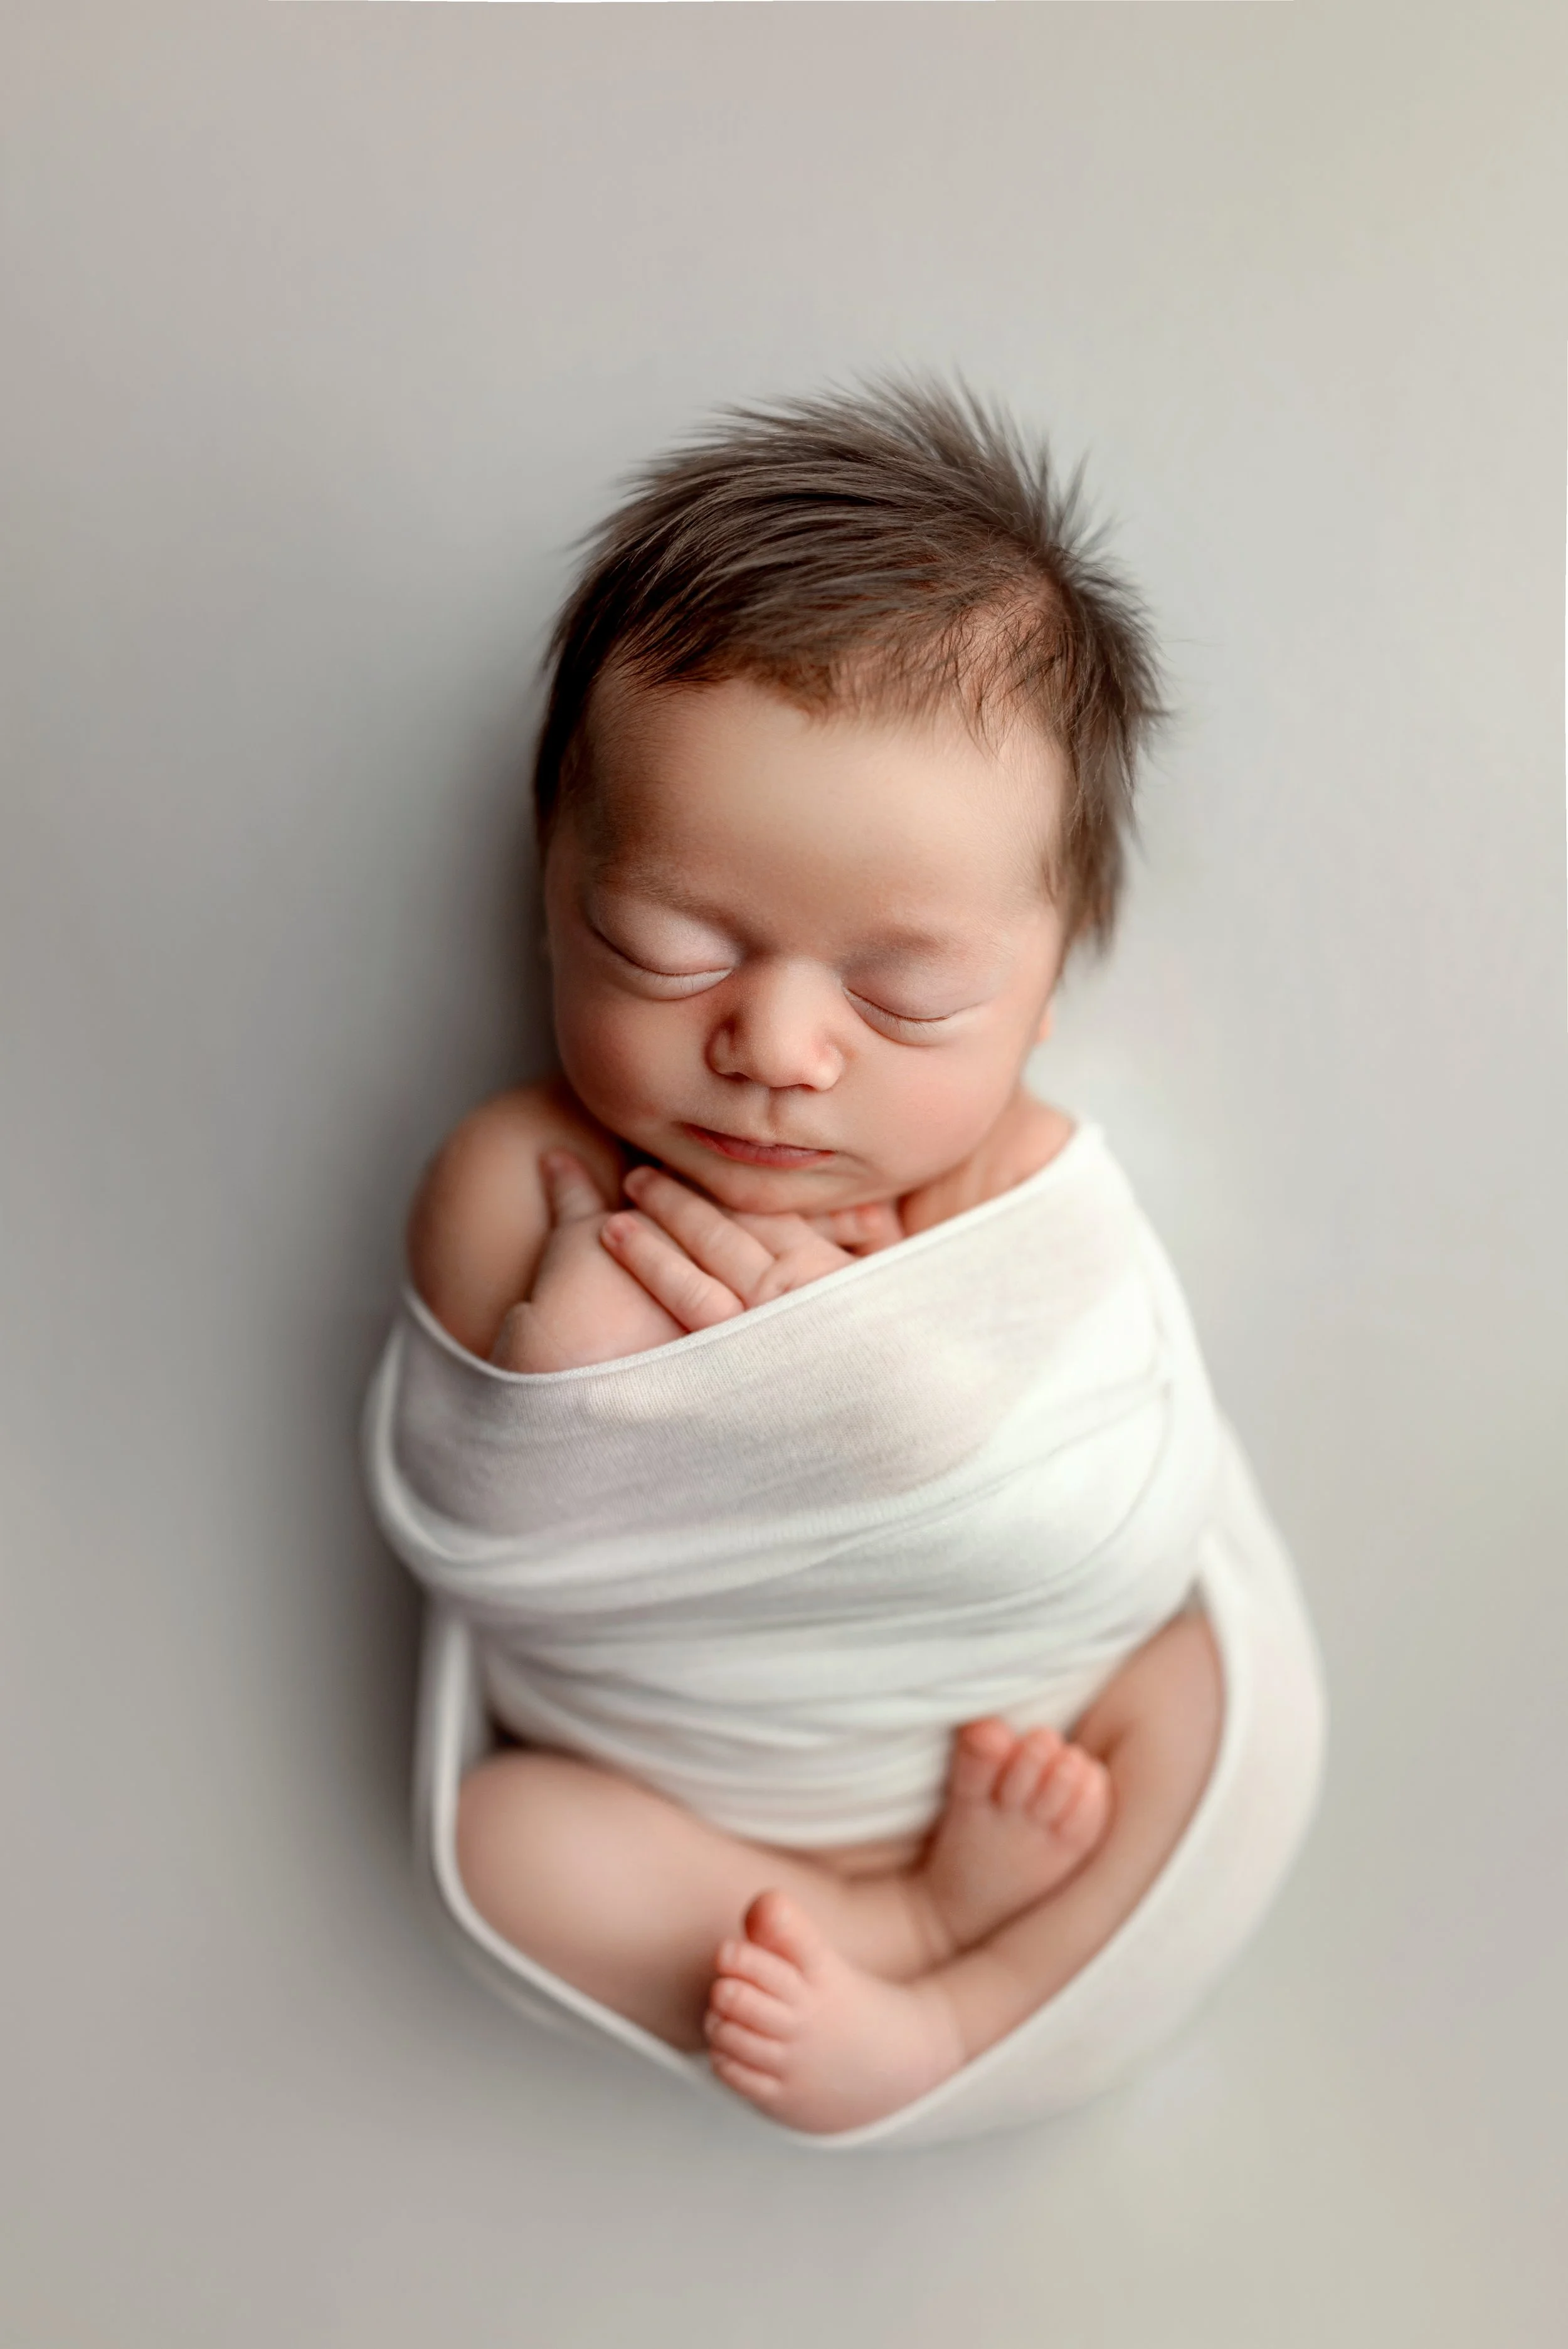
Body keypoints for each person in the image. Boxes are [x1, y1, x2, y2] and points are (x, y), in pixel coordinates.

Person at [387, 379, 1303, 2134]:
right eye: (665, 946)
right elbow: (495, 1496)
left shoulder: (1023, 1183)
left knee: (1203, 1685)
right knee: (509, 1843)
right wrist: (607, 1355)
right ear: (552, 887)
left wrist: (882, 1396)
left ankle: (966, 1990)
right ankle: (897, 1926)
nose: (780, 1047)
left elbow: (1116, 1495)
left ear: (1045, 988)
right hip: (676, 1790)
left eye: (903, 996)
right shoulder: (515, 1166)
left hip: (1007, 1730)